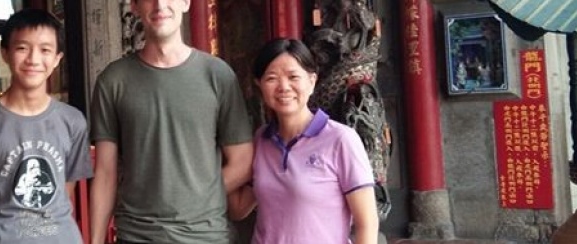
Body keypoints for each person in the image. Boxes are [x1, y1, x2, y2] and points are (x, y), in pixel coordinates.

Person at [89, 0, 255, 243]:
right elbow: (105, 173)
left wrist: (195, 197)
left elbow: (243, 161)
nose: (160, 5)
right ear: (134, 6)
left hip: (205, 235)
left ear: (186, 3)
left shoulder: (218, 75)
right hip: (138, 235)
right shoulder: (113, 80)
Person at [0, 8, 92, 244]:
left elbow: (64, 189)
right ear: (5, 53)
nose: (33, 59)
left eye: (45, 50)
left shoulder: (73, 121)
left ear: (57, 59)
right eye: (22, 48)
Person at [226, 38, 379, 244]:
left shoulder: (340, 140)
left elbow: (367, 223)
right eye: (271, 78)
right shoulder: (262, 140)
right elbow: (238, 209)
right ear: (259, 85)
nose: (284, 87)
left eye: (293, 77)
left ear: (312, 81)